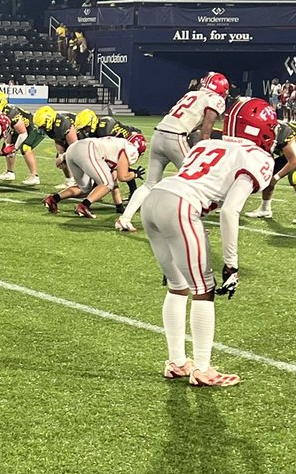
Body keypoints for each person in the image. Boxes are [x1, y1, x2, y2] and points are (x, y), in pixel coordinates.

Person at [140, 98, 278, 388]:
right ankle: (202, 369)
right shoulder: (259, 157)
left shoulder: (205, 144)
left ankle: (177, 362)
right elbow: (230, 210)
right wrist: (231, 264)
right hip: (180, 207)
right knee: (204, 288)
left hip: (153, 201)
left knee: (178, 286)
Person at [117, 72, 229, 232]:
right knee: (195, 181)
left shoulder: (192, 94)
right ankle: (191, 223)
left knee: (150, 183)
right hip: (176, 138)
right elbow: (206, 128)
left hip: (159, 134)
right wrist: (204, 149)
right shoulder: (214, 99)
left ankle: (125, 219)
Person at [43, 133, 147, 219]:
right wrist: (135, 174)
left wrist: (119, 206)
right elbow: (122, 177)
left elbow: (115, 180)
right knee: (106, 183)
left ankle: (53, 199)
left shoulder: (117, 145)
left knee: (84, 188)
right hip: (87, 150)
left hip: (73, 149)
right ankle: (84, 206)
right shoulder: (131, 149)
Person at [245, 120, 296, 225]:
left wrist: (276, 178)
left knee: (295, 176)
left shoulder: (281, 131)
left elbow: (294, 162)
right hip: (292, 154)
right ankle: (265, 209)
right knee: (269, 173)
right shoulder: (266, 129)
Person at [0, 91, 40, 187]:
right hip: (17, 130)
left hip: (33, 128)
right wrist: (8, 146)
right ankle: (9, 173)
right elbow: (8, 130)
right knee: (7, 147)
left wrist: (15, 149)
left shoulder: (11, 113)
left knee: (25, 147)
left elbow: (23, 133)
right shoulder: (0, 112)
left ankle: (34, 176)